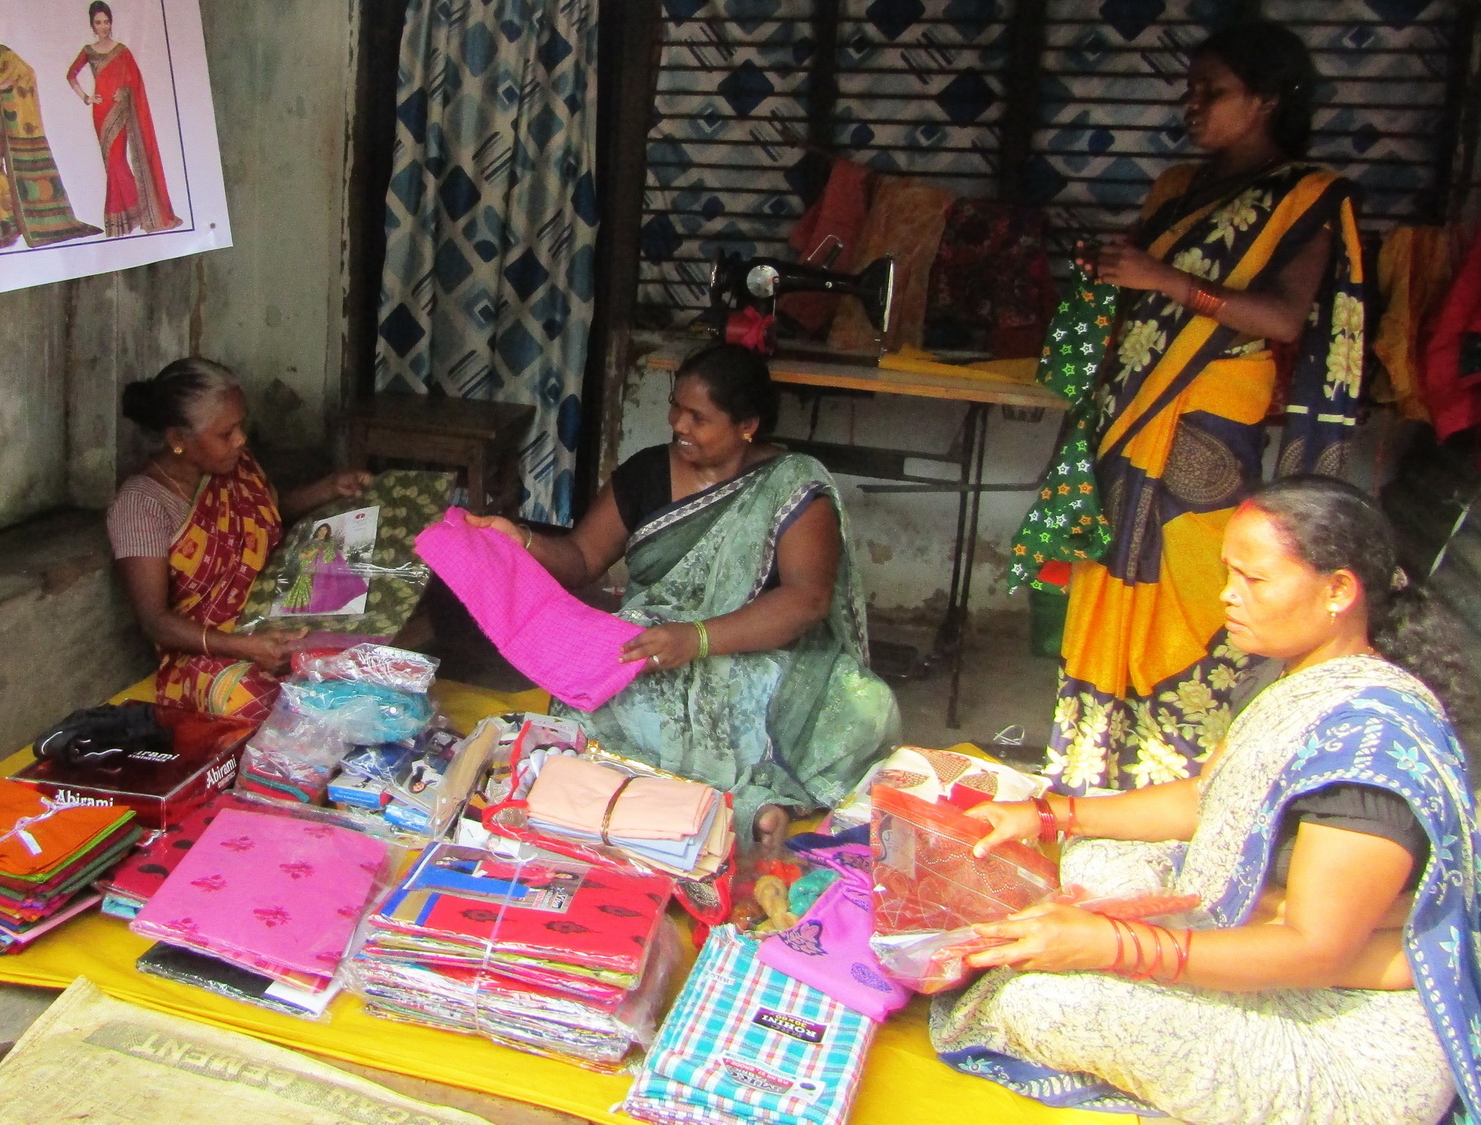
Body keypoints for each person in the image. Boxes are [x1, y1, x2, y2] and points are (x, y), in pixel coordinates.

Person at [931, 477, 1478, 1125]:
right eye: (1228, 572)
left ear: (1338, 590)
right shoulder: (1292, 669)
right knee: (1099, 852)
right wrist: (1049, 813)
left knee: (1036, 1002)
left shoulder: (1367, 750)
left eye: (1254, 579)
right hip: (1271, 954)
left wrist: (1114, 946)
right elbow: (1208, 798)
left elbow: (1316, 950)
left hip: (1342, 1043)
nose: (1227, 594)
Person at [1049, 21, 1367, 793]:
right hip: (1132, 415)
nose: (1192, 107)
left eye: (1212, 92)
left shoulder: (1306, 197)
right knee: (1115, 572)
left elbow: (1284, 317)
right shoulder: (1179, 190)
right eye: (1190, 91)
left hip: (1209, 416)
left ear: (1265, 100)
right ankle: (1096, 775)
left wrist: (1163, 280)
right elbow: (1142, 285)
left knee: (1193, 588)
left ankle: (1180, 778)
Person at [465, 344, 897, 834]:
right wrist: (521, 540)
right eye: (676, 407)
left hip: (758, 654)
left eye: (698, 417)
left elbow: (806, 600)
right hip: (654, 644)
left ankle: (762, 802)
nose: (678, 425)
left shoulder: (792, 488)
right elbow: (582, 558)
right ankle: (728, 805)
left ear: (747, 424)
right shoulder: (648, 472)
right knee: (592, 694)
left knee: (863, 712)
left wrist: (697, 639)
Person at [107, 358, 372, 719]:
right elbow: (154, 620)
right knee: (263, 702)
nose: (241, 439)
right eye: (226, 433)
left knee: (359, 665)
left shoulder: (236, 468)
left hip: (273, 622)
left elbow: (270, 512)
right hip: (206, 654)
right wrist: (243, 647)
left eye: (241, 426)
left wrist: (329, 488)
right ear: (178, 440)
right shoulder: (142, 504)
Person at [0, 1, 101, 249]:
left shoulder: (1, 52)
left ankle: (23, 220)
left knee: (3, 163)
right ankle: (7, 221)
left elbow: (26, 74)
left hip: (8, 113)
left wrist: (7, 87)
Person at [64, 1, 181, 237]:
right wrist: (87, 98)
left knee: (117, 162)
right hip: (100, 114)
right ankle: (135, 209)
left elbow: (134, 81)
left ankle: (126, 214)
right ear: (92, 25)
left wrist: (125, 91)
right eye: (98, 22)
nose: (103, 26)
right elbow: (71, 75)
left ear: (111, 23)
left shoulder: (122, 51)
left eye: (106, 22)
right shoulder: (89, 51)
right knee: (112, 165)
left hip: (120, 111)